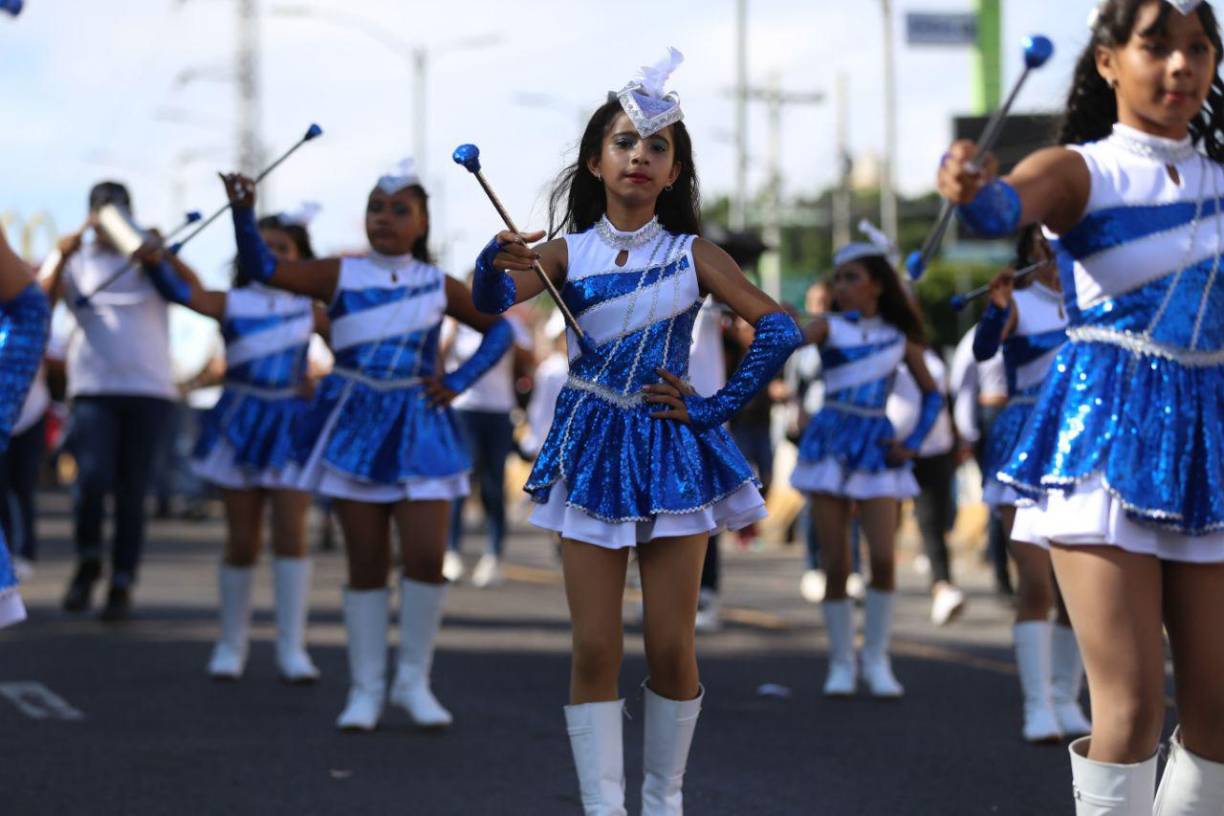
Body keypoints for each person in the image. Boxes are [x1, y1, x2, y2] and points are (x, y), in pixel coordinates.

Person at [472, 49, 801, 815]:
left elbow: (779, 328)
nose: (639, 157)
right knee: (593, 646)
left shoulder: (695, 255)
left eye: (658, 147)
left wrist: (715, 408)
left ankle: (663, 797)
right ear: (595, 160)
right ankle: (602, 805)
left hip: (669, 449)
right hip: (590, 449)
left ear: (675, 169)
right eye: (624, 142)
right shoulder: (565, 253)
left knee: (670, 646)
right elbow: (490, 301)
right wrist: (495, 261)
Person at [938, 1, 1224, 810]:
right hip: (1106, 437)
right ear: (1108, 60)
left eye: (1199, 48)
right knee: (1129, 712)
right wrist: (972, 187)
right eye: (1157, 45)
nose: (1180, 65)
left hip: (1211, 441)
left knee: (1220, 716)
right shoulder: (1080, 169)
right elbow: (1002, 208)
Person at [221, 158, 513, 732]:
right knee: (367, 561)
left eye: (400, 209)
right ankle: (366, 688)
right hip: (356, 424)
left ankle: (413, 681)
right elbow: (262, 267)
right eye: (376, 208)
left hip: (420, 423)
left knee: (428, 557)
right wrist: (242, 213)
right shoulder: (341, 273)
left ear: (422, 222)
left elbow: (501, 326)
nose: (385, 218)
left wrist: (458, 381)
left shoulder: (436, 283)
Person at [137, 205, 328, 683]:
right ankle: (231, 643)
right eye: (260, 247)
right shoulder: (232, 302)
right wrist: (159, 259)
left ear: (301, 257)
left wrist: (325, 389)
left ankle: (292, 647)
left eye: (282, 250)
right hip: (241, 422)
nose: (269, 256)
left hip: (291, 426)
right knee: (242, 540)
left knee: (291, 535)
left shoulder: (310, 308)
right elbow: (185, 292)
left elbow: (355, 349)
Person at [790, 227, 943, 699]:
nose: (840, 287)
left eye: (850, 277)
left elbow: (932, 394)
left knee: (882, 558)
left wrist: (913, 442)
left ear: (877, 283)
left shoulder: (900, 337)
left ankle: (876, 659)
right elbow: (795, 335)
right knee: (836, 562)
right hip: (831, 442)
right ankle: (841, 663)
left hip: (877, 448)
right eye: (837, 279)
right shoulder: (829, 326)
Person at [972, 226, 1092, 744]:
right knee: (1037, 581)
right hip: (1025, 441)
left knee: (1079, 589)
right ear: (1036, 250)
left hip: (1084, 441)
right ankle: (1037, 703)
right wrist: (997, 307)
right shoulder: (1018, 300)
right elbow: (981, 351)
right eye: (1050, 242)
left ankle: (1067, 698)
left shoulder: (1097, 297)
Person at [40, 182, 177, 621]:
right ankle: (88, 560)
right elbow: (36, 306)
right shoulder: (76, 263)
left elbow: (187, 292)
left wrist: (159, 255)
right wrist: (60, 255)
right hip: (94, 390)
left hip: (149, 390)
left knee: (133, 490)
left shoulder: (153, 257)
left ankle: (122, 579)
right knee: (92, 480)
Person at [441, 296, 534, 587]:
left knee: (493, 484)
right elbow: (438, 359)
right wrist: (454, 328)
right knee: (461, 480)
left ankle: (493, 556)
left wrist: (505, 334)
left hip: (498, 411)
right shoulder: (454, 325)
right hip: (464, 409)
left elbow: (528, 363)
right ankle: (451, 551)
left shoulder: (511, 325)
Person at [887, 345, 966, 626]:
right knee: (883, 523)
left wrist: (957, 436)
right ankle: (870, 582)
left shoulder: (932, 356)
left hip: (933, 450)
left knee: (933, 522)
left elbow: (942, 398)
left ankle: (942, 585)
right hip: (890, 451)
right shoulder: (883, 349)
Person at [0, 224, 50, 627]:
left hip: (31, 418)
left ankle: (27, 548)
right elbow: (31, 309)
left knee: (21, 488)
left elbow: (31, 311)